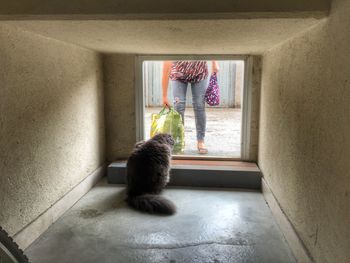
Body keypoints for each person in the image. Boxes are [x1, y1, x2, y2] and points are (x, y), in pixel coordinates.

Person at [162, 60, 219, 154]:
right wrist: (164, 96)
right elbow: (165, 69)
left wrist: (214, 61)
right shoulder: (172, 48)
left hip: (199, 71)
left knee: (199, 106)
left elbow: (209, 44)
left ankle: (201, 141)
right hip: (178, 73)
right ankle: (179, 140)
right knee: (178, 106)